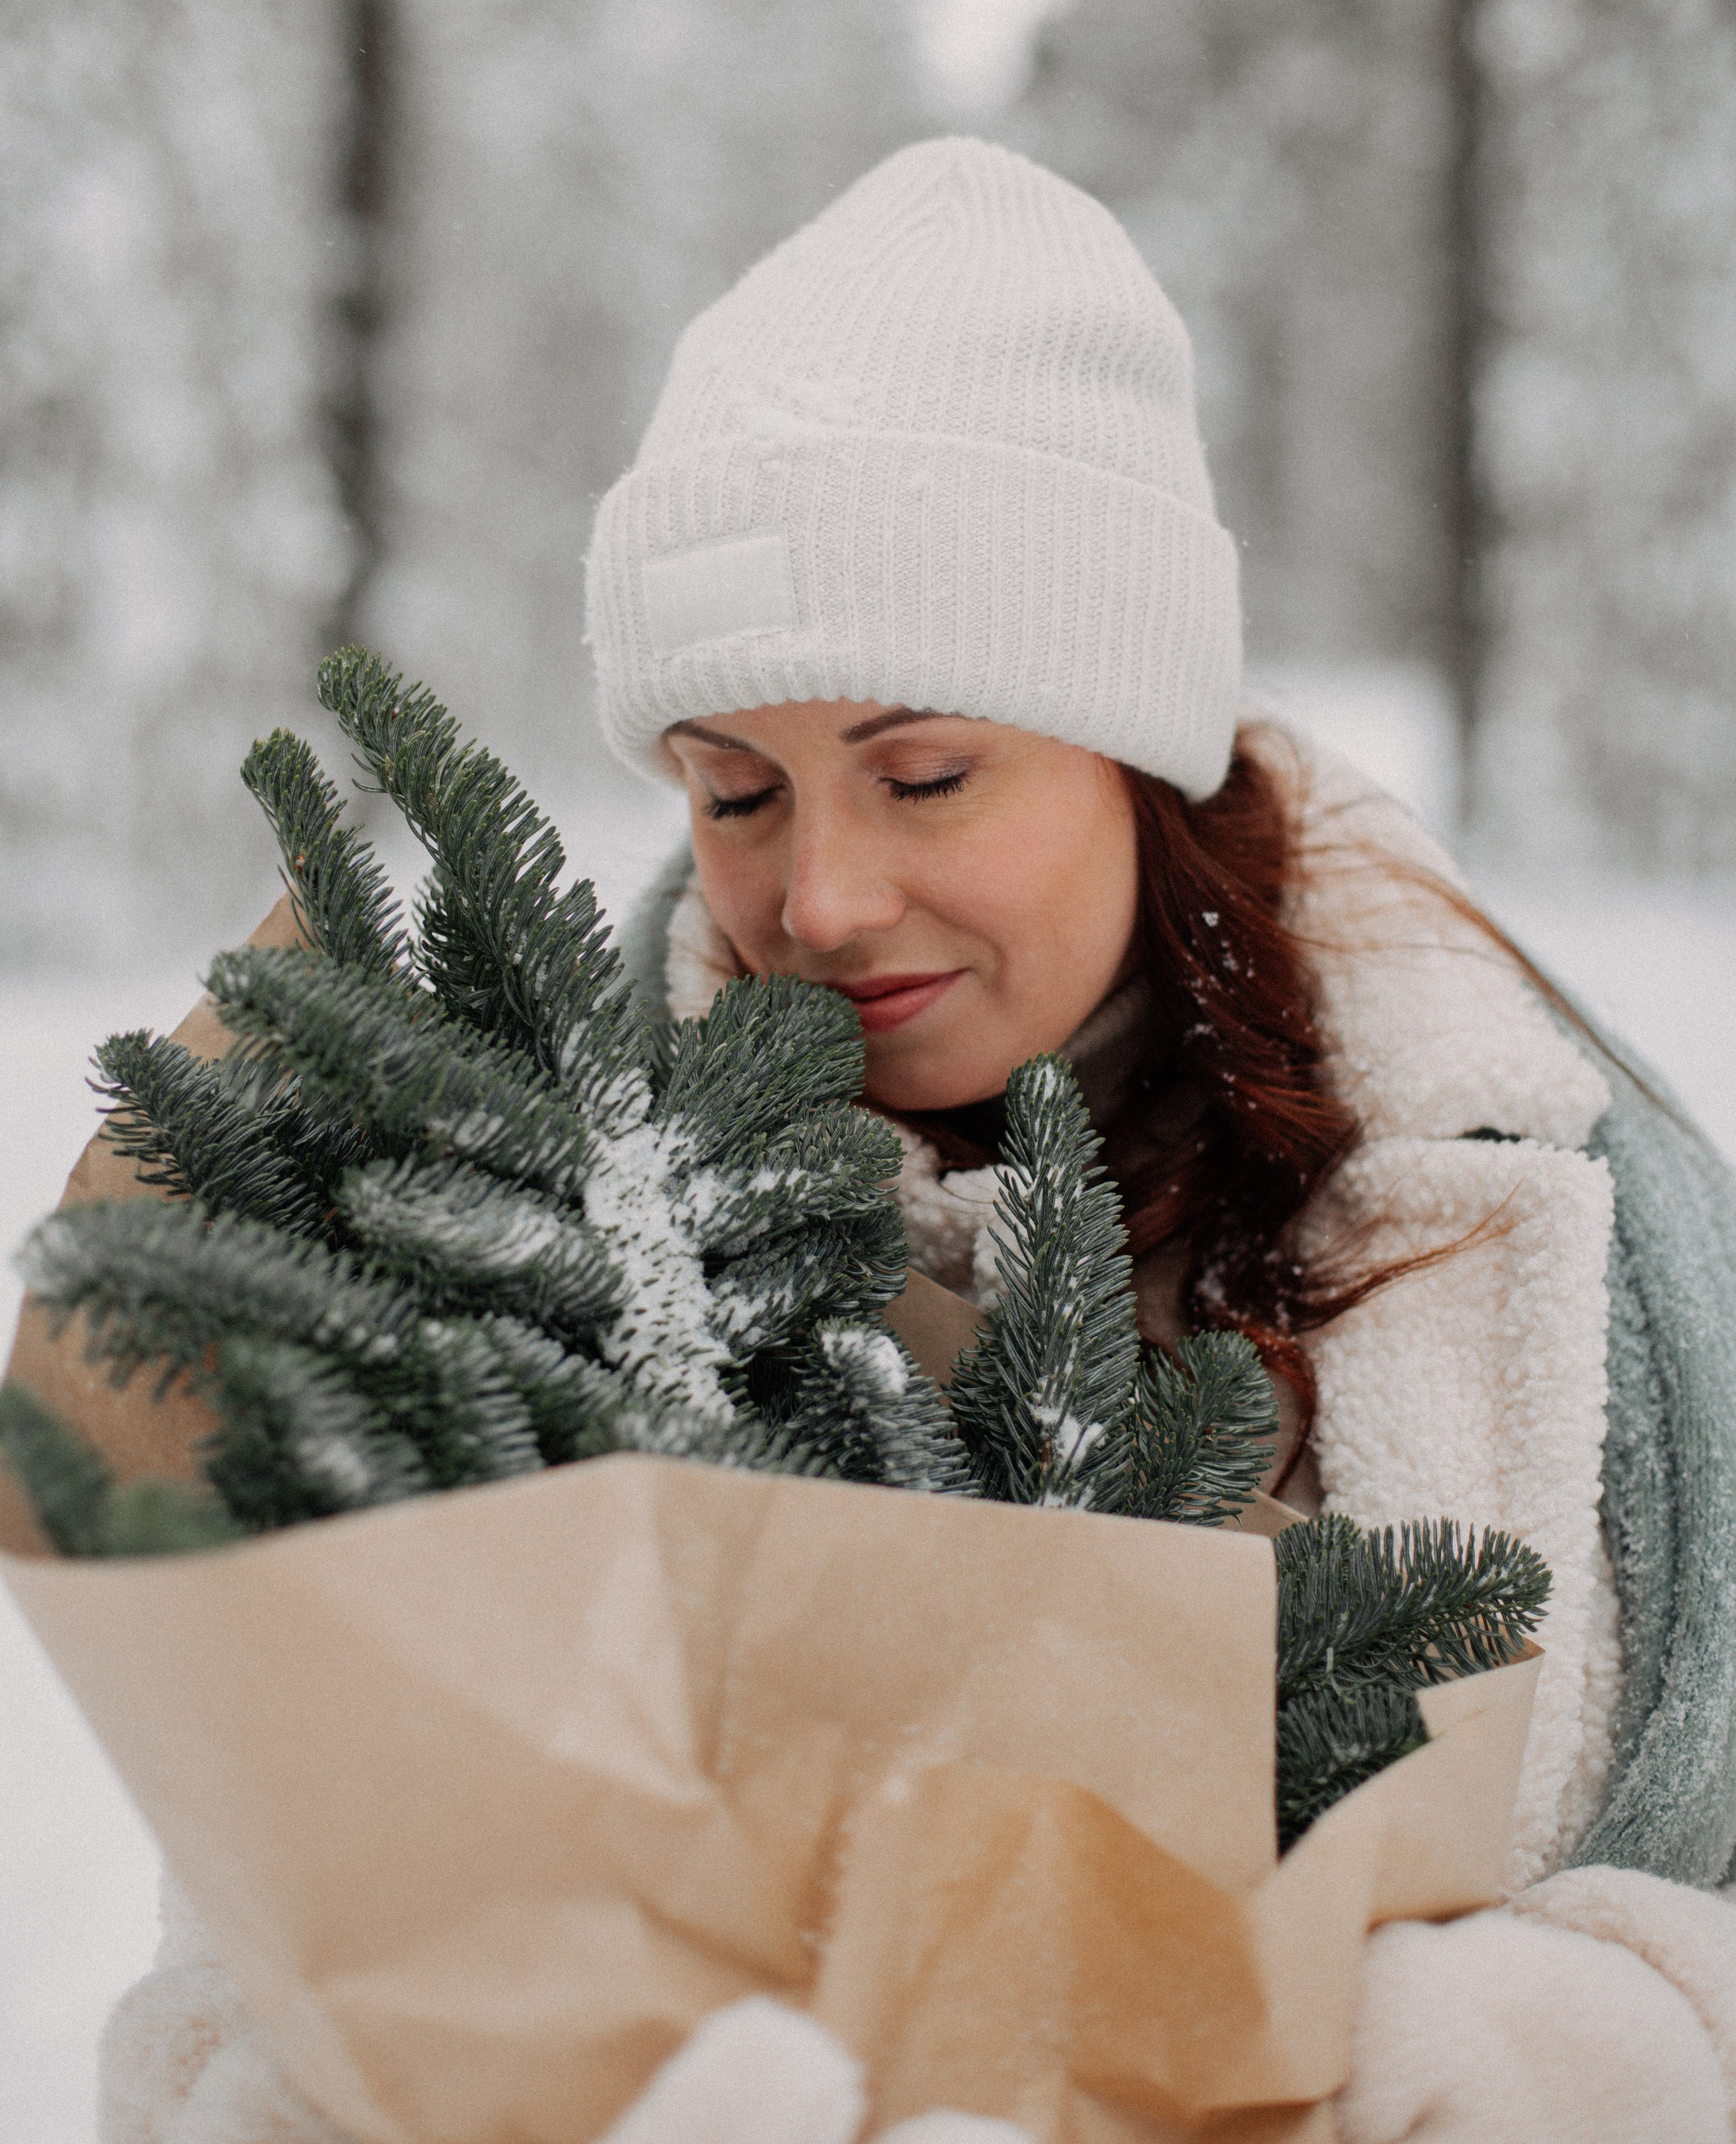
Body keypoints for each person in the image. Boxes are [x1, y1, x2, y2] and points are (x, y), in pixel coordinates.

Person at [90, 139, 1736, 2142]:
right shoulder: (513, 1214)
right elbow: (244, 1968)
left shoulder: (1563, 1210)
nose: (828, 898)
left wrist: (1430, 2066)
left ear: (1137, 750)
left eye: (925, 772)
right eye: (737, 793)